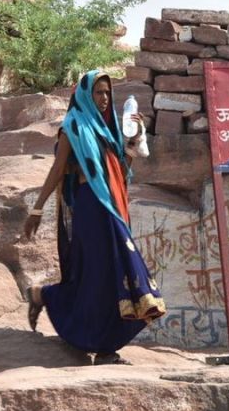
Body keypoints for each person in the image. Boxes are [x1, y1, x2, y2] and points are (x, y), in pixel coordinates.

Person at [22, 70, 165, 365]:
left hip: (110, 204)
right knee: (111, 271)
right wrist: (37, 208)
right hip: (91, 206)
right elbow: (58, 169)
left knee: (103, 276)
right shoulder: (73, 126)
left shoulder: (108, 128)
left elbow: (121, 173)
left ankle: (96, 340)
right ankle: (97, 341)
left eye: (107, 93)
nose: (103, 99)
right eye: (98, 92)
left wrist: (134, 141)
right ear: (85, 94)